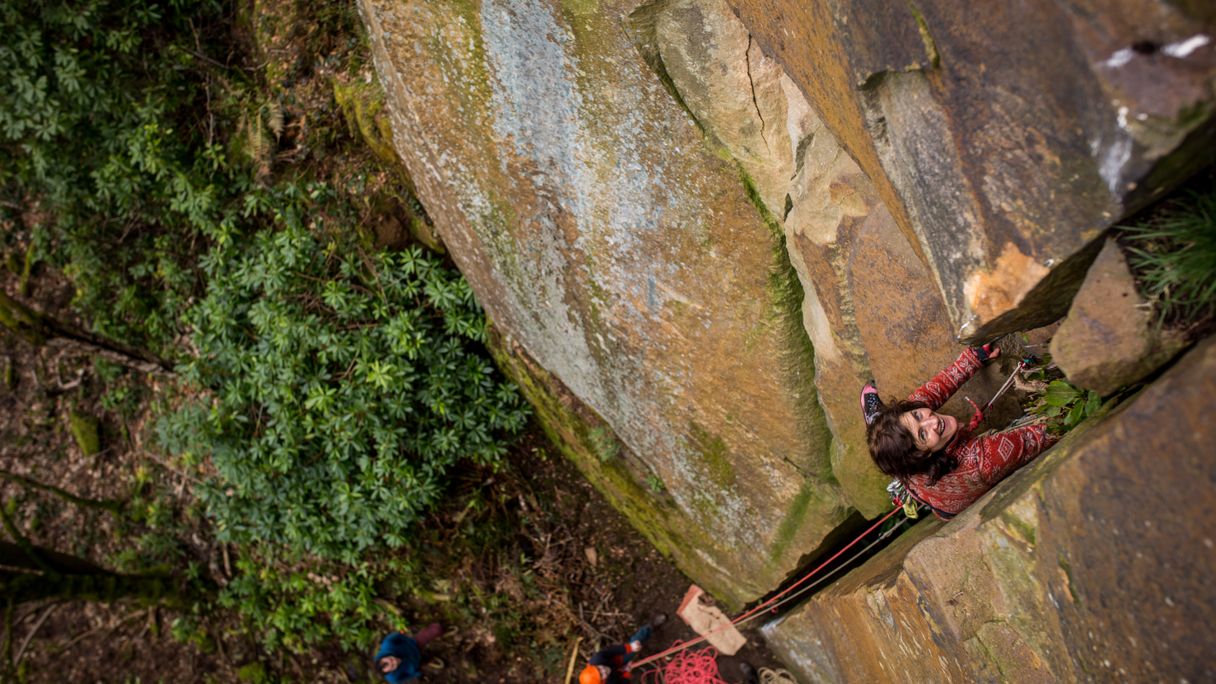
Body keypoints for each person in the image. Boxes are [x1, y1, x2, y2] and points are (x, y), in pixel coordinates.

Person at [861, 344, 1058, 519]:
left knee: (894, 440)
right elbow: (1045, 432)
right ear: (923, 456)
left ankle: (877, 421)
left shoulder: (909, 432)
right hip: (949, 503)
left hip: (922, 480)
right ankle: (877, 421)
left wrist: (975, 358)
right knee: (900, 439)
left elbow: (931, 393)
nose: (932, 421)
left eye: (918, 416)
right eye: (923, 434)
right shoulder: (980, 459)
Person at [578, 614, 666, 684]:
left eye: (599, 669)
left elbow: (612, 650)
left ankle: (650, 626)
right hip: (618, 673)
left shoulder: (597, 659)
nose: (603, 670)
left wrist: (630, 647)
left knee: (636, 641)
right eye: (601, 674)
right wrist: (626, 673)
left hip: (618, 659)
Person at [374, 623, 442, 683]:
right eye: (393, 666)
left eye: (391, 659)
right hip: (416, 664)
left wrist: (409, 640)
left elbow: (397, 636)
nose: (395, 661)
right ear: (391, 671)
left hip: (414, 645)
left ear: (386, 656)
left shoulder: (388, 644)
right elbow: (405, 677)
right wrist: (416, 673)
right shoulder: (393, 679)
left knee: (436, 629)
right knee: (428, 660)